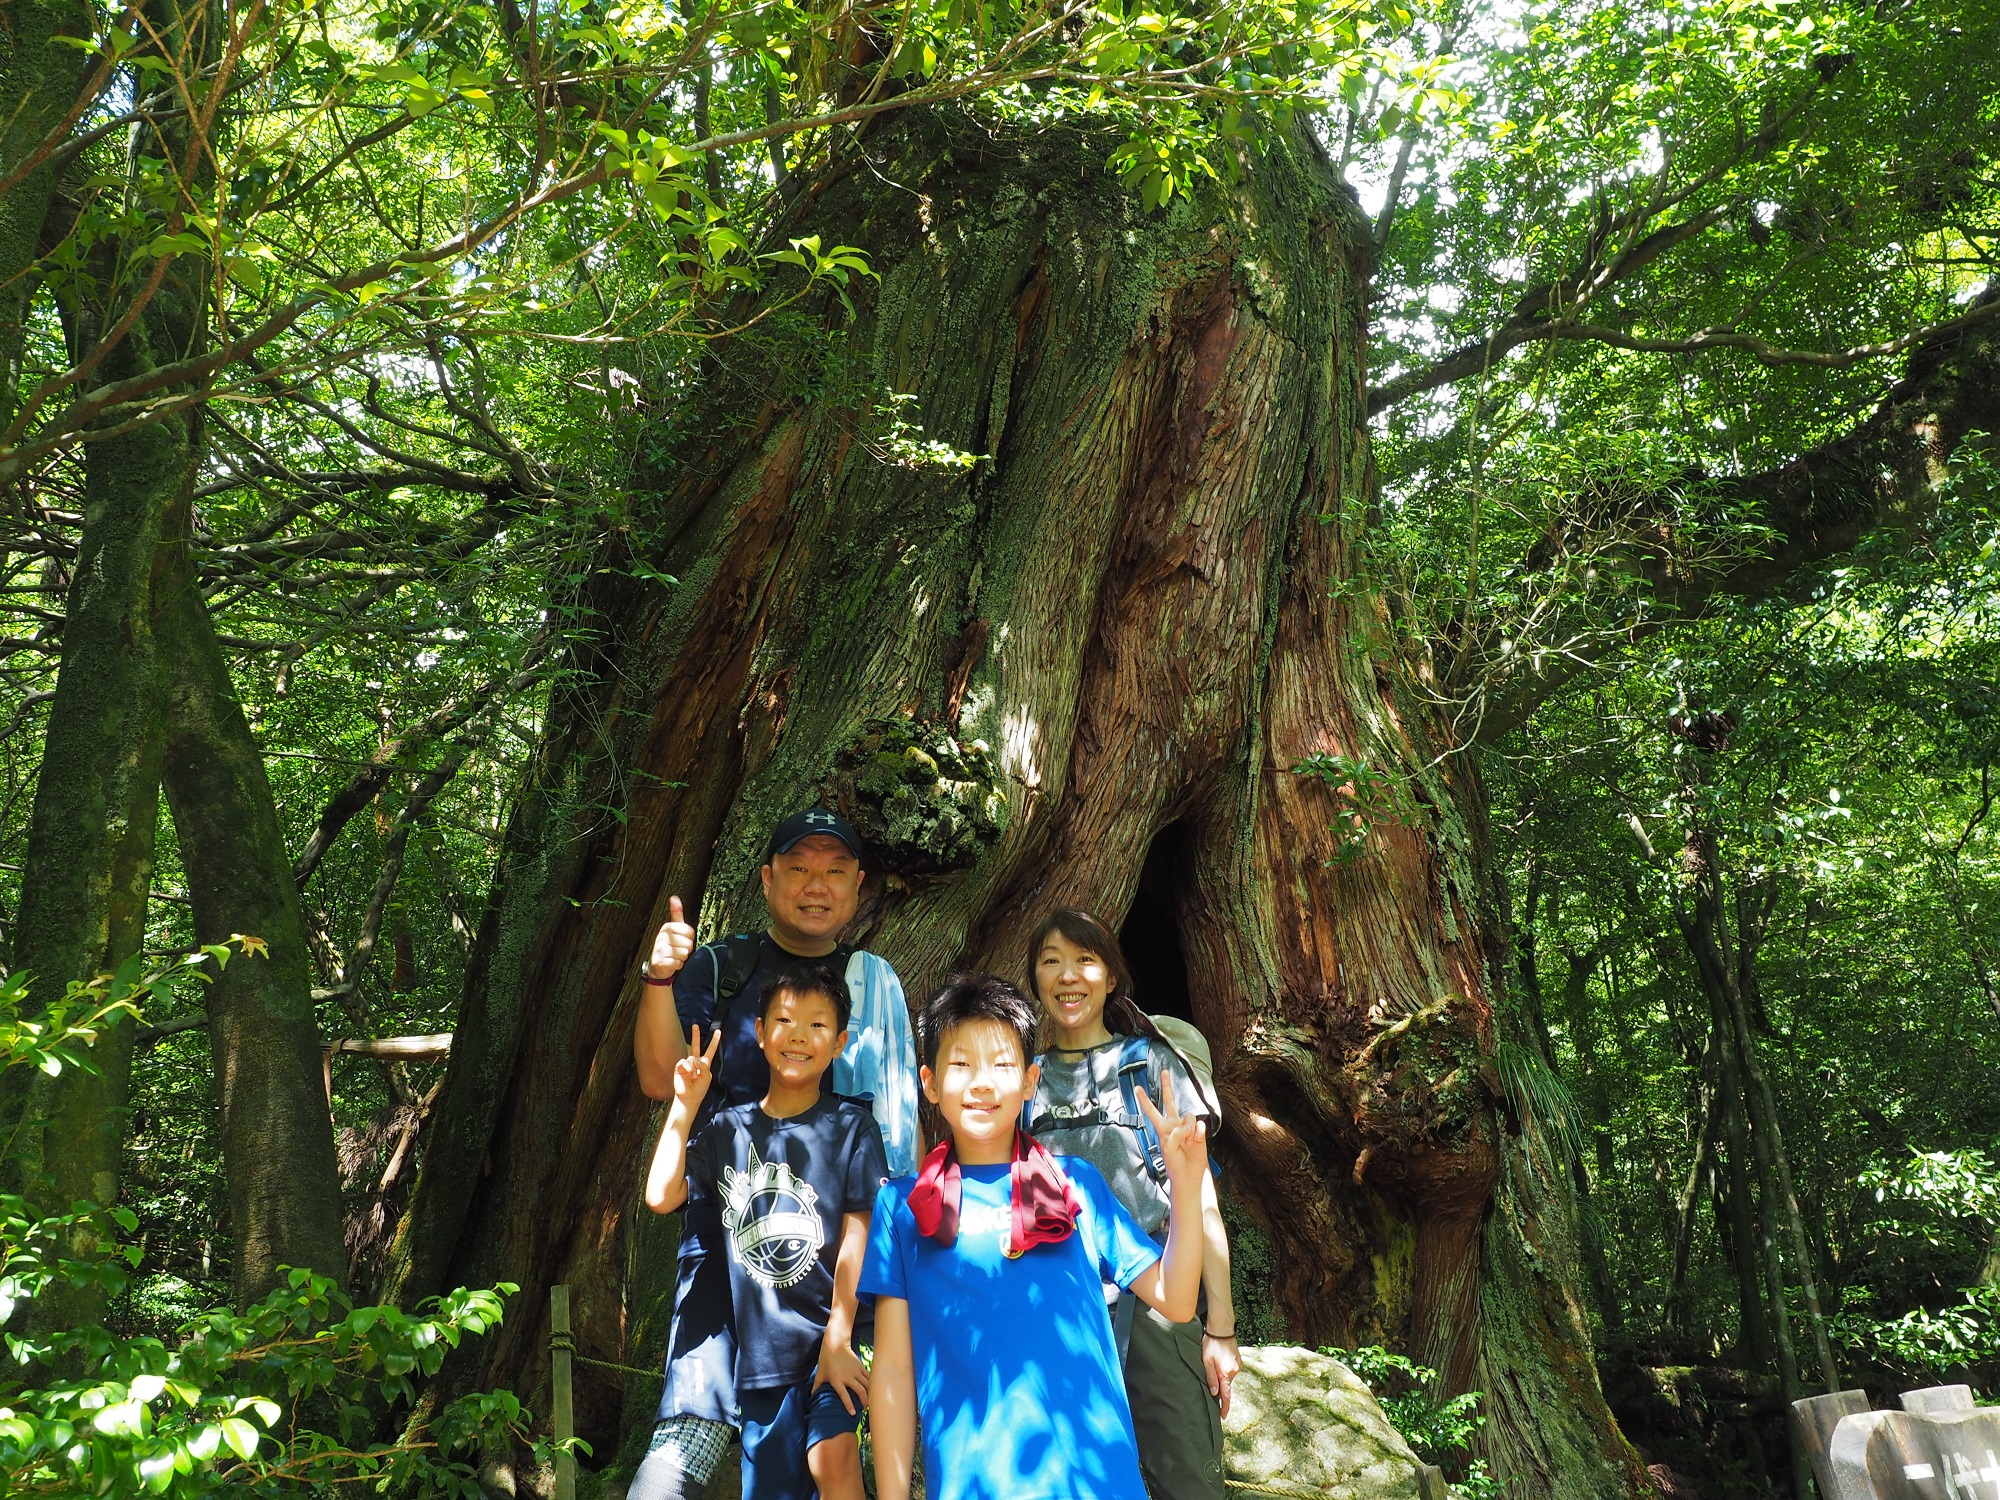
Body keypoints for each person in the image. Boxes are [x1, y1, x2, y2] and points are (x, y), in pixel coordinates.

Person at [630, 809, 918, 1500]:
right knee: (688, 1430)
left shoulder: (871, 982)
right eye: (798, 868)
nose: (816, 886)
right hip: (724, 1250)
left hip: (832, 1270)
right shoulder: (723, 969)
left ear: (858, 885)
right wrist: (659, 978)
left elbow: (898, 1140)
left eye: (834, 871)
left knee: (824, 1449)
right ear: (766, 879)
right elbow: (661, 1079)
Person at [860, 973, 1210, 1500]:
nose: (982, 1083)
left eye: (1002, 1065)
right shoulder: (903, 1208)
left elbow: (1177, 1299)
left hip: (1098, 1483)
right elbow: (892, 1368)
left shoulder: (1075, 1185)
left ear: (1029, 1080)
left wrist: (1185, 1185)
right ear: (929, 1082)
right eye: (962, 1065)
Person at [644, 962, 888, 1500]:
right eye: (784, 1020)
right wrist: (685, 1104)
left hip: (836, 1341)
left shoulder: (852, 1128)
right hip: (761, 1363)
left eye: (818, 1025)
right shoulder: (728, 1130)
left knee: (832, 1458)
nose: (799, 1036)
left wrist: (839, 1337)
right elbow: (661, 1195)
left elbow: (859, 1234)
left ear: (840, 1042)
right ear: (759, 1032)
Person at [1024, 908, 1240, 1500]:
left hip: (1157, 1306)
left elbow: (1200, 1196)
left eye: (1085, 960)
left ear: (1112, 977)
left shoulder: (1151, 1064)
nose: (1068, 976)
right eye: (1051, 961)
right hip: (1060, 1313)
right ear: (1036, 979)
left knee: (1187, 1483)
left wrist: (1220, 1329)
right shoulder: (1022, 1080)